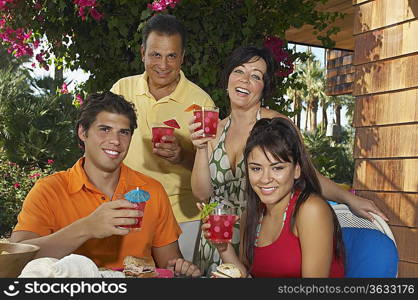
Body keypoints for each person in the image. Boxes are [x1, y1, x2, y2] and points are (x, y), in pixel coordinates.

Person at [189, 45, 388, 275]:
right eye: (239, 71)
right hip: (228, 232)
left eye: (255, 76)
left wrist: (347, 198)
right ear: (228, 78)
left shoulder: (276, 126)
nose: (244, 80)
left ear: (264, 88)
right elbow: (203, 194)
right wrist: (200, 148)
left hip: (270, 223)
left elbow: (306, 172)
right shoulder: (214, 129)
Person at [10, 91, 201, 277]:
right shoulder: (49, 190)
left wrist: (182, 270)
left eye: (123, 132)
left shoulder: (152, 190)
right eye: (104, 129)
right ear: (83, 133)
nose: (115, 141)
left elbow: (170, 263)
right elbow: (16, 259)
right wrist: (87, 228)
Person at [110, 14, 214, 262]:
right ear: (142, 52)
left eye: (172, 56)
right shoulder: (121, 90)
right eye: (156, 55)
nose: (163, 65)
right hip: (126, 211)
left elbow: (211, 169)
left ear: (182, 57)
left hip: (183, 219)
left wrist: (182, 155)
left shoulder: (201, 103)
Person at [202, 117, 345, 277]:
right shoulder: (251, 215)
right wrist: (223, 247)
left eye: (277, 168)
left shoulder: (311, 210)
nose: (265, 179)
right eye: (256, 169)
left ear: (297, 170)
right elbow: (246, 276)